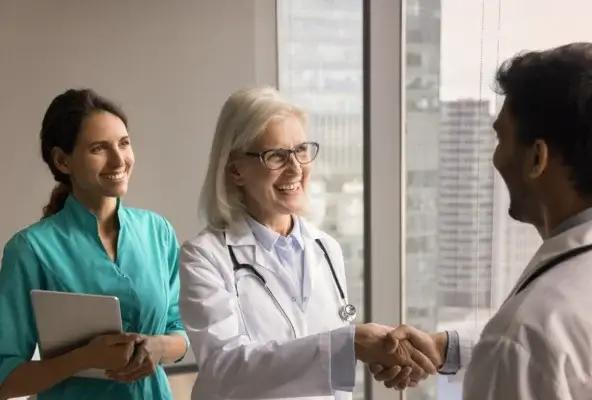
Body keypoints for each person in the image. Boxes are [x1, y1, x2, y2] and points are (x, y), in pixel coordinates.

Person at [179, 87, 443, 400]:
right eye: (276, 155)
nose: (295, 168)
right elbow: (224, 369)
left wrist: (381, 355)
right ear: (236, 169)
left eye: (301, 150)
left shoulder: (326, 248)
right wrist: (351, 344)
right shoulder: (205, 256)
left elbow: (328, 368)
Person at [372, 42, 592, 399]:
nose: (496, 159)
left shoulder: (526, 334)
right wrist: (449, 349)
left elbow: (527, 352)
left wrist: (502, 344)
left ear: (537, 158)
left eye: (500, 138)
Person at [0, 89, 188, 400]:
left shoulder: (158, 231)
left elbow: (181, 331)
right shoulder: (30, 250)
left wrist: (158, 347)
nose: (119, 160)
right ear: (62, 161)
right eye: (99, 148)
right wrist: (83, 358)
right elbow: (6, 380)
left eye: (124, 144)